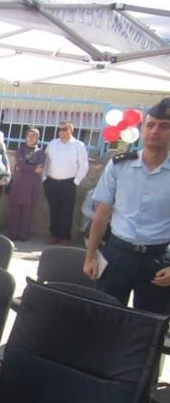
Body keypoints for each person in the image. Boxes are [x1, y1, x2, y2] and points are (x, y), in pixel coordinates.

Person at [83, 99, 170, 314]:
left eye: (164, 126)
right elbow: (101, 215)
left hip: (157, 260)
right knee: (105, 318)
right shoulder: (119, 165)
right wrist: (90, 256)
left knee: (149, 328)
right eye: (150, 125)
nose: (155, 131)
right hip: (117, 254)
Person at [42, 121, 89, 245]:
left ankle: (65, 237)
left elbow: (84, 165)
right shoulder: (52, 144)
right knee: (54, 209)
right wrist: (44, 178)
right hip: (51, 182)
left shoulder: (79, 145)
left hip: (68, 183)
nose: (62, 131)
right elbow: (45, 161)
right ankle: (54, 234)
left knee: (67, 210)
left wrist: (76, 181)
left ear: (71, 130)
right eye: (60, 129)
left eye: (65, 129)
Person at [7, 128, 45, 241]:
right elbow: (19, 164)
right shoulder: (20, 150)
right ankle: (12, 235)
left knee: (27, 211)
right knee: (14, 209)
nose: (31, 138)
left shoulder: (41, 153)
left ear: (37, 138)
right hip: (18, 184)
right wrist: (33, 168)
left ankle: (23, 235)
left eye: (34, 136)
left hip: (32, 185)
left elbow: (39, 168)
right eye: (29, 135)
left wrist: (24, 167)